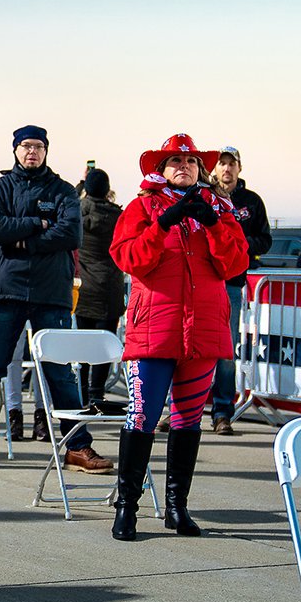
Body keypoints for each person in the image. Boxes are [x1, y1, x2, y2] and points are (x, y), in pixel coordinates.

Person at [0, 125, 114, 474]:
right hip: (6, 290)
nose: (31, 152)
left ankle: (77, 448)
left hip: (51, 293)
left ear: (46, 150)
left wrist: (24, 238)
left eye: (37, 146)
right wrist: (39, 222)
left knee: (60, 373)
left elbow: (70, 233)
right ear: (15, 150)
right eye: (25, 146)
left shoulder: (64, 190)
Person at [108, 134, 250, 541]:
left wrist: (213, 224)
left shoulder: (219, 209)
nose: (183, 166)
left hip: (203, 329)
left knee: (188, 420)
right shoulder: (141, 207)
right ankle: (127, 509)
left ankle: (177, 508)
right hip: (155, 328)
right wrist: (163, 225)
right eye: (175, 161)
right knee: (142, 417)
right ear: (162, 168)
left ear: (200, 169)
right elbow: (129, 258)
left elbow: (235, 264)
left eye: (190, 161)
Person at [208, 146, 271, 435]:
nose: (227, 169)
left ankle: (222, 412)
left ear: (239, 168)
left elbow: (265, 239)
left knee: (225, 351)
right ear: (214, 168)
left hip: (231, 284)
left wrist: (239, 245)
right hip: (200, 281)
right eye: (222, 163)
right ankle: (179, 410)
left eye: (232, 164)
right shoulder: (201, 195)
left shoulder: (252, 202)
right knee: (187, 351)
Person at [75, 166, 126, 404]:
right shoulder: (118, 216)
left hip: (85, 285)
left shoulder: (79, 212)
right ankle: (97, 392)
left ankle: (81, 392)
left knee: (84, 341)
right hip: (111, 286)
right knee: (104, 342)